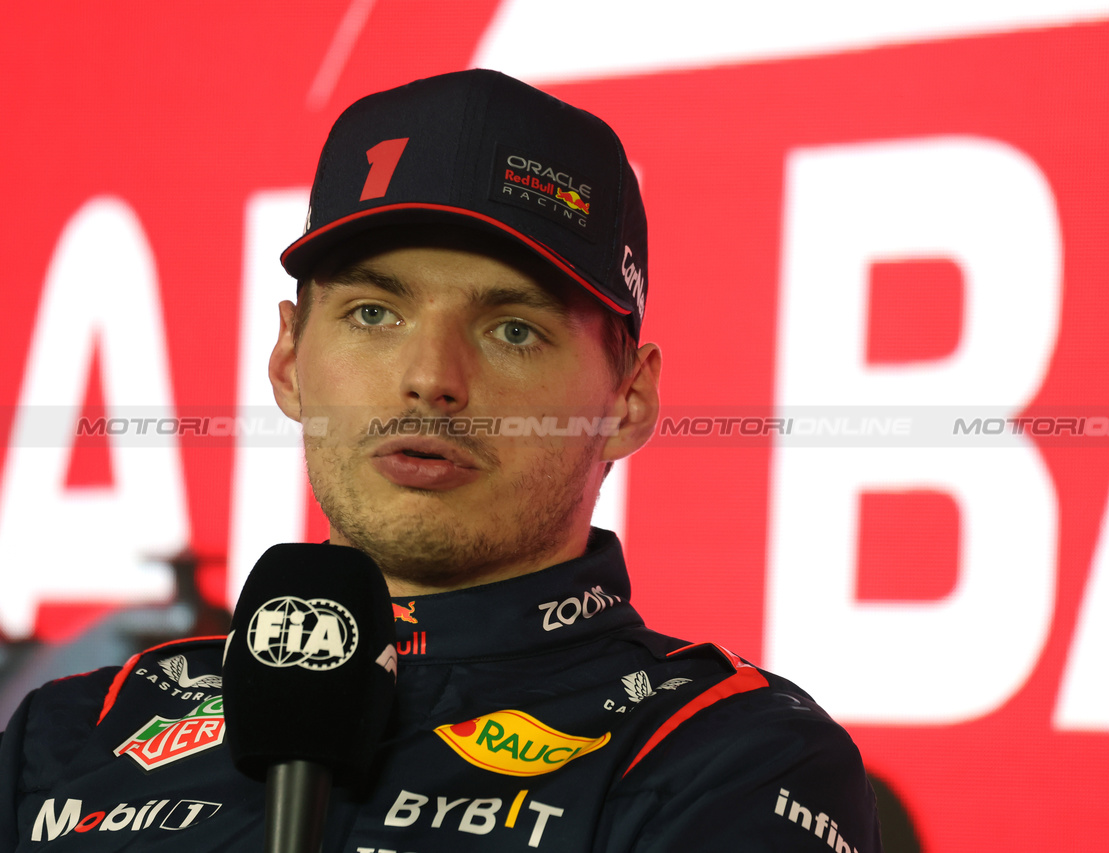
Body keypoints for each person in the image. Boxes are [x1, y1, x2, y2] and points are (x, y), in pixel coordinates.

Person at [0, 69, 882, 851]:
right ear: (288, 360)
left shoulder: (729, 757)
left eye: (512, 329)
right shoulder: (77, 727)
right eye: (376, 314)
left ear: (629, 400)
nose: (430, 381)